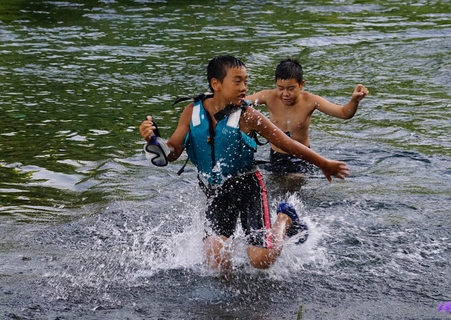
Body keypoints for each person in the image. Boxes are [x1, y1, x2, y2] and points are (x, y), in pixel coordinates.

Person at [139, 55, 349, 272]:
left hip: (250, 188)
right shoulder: (192, 112)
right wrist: (154, 141)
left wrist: (323, 163)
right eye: (237, 81)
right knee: (216, 260)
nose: (244, 87)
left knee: (260, 261)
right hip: (217, 191)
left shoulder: (248, 116)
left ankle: (285, 218)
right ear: (216, 84)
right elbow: (172, 152)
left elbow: (286, 143)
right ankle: (224, 304)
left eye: (246, 82)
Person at [247, 58, 369, 175]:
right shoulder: (268, 97)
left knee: (295, 184)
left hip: (302, 157)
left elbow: (344, 113)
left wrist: (354, 101)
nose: (285, 94)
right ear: (276, 84)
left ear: (301, 85)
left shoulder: (310, 101)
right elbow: (239, 103)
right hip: (276, 156)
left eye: (291, 88)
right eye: (280, 88)